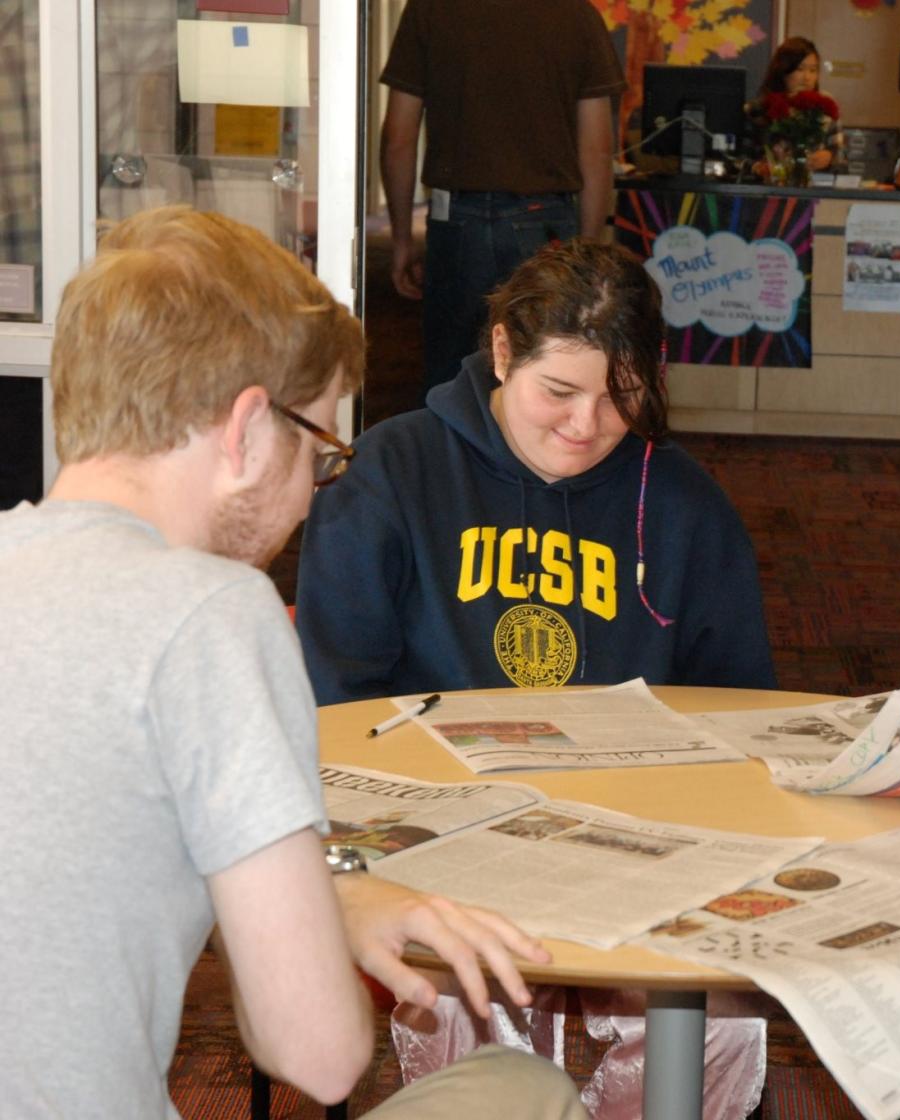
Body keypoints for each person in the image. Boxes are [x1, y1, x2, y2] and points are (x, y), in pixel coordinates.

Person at [0, 206, 582, 1117]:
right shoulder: (212, 614)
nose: (312, 501)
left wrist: (329, 898)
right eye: (318, 451)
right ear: (243, 432)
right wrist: (312, 939)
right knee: (522, 1091)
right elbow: (317, 1054)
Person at [295, 238, 776, 704]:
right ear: (503, 353)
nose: (586, 425)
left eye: (621, 396)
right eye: (559, 392)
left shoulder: (685, 505)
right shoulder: (386, 476)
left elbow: (737, 699)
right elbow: (339, 694)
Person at [379, 0, 625, 398]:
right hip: (544, 219)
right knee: (541, 369)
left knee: (452, 378)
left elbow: (398, 139)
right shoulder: (576, 16)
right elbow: (596, 151)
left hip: (456, 218)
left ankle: (452, 457)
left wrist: (403, 240)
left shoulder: (430, 10)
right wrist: (588, 249)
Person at [744, 36, 842, 180]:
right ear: (783, 71)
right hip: (768, 191)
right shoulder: (759, 108)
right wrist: (758, 167)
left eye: (813, 70)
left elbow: (842, 162)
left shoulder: (825, 107)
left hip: (815, 192)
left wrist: (829, 158)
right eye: (800, 69)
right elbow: (740, 159)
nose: (807, 77)